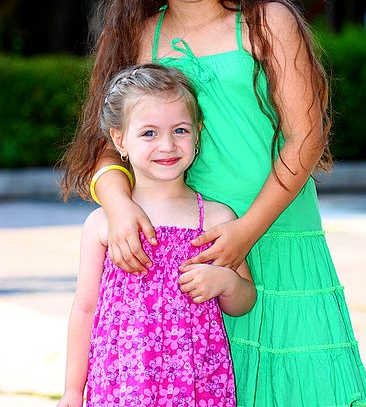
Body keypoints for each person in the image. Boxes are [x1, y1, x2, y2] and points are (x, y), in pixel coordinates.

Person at [62, 0, 366, 406]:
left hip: (273, 231)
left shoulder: (268, 22)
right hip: (185, 255)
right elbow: (100, 145)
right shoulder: (133, 36)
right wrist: (117, 204)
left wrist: (246, 232)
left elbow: (307, 137)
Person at [58, 63, 256, 407]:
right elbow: (85, 310)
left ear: (198, 132)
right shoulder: (102, 224)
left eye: (180, 130)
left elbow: (245, 300)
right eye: (149, 133)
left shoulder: (215, 218)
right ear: (119, 140)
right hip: (122, 378)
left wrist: (224, 283)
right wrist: (73, 391)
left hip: (197, 382)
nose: (167, 145)